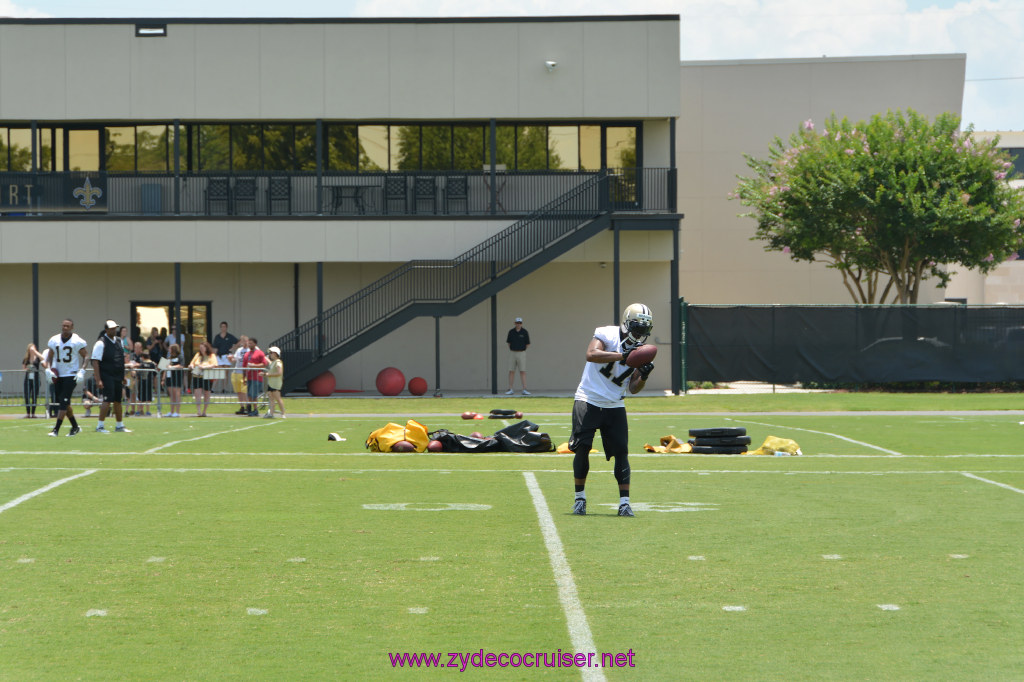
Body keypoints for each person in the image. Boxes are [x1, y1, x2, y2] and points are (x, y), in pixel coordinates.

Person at [568, 303, 655, 518]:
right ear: (626, 322)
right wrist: (621, 356)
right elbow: (591, 354)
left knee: (622, 453)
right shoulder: (607, 333)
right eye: (637, 327)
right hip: (588, 398)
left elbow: (634, 388)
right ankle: (580, 499)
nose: (640, 333)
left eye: (644, 330)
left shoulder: (641, 352)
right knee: (582, 448)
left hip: (615, 403)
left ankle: (624, 503)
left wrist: (643, 375)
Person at [43, 318, 89, 437]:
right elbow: (50, 356)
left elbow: (86, 356)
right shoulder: (54, 340)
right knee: (64, 402)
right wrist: (48, 369)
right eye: (63, 326)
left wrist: (82, 371)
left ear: (72, 327)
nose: (65, 328)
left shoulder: (76, 340)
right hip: (59, 374)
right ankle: (75, 427)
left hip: (71, 374)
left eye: (67, 326)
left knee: (63, 401)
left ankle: (56, 430)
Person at [91, 319, 131, 434]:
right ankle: (100, 426)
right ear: (106, 330)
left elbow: (120, 359)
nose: (114, 330)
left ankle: (119, 425)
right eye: (112, 328)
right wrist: (98, 379)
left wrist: (123, 375)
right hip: (107, 375)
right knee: (107, 400)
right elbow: (95, 362)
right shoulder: (101, 343)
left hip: (118, 375)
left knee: (118, 400)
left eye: (115, 328)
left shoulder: (119, 341)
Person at [188, 340, 219, 417]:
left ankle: (204, 411)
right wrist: (191, 366)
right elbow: (192, 363)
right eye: (200, 348)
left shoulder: (212, 355)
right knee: (197, 394)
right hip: (197, 376)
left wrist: (204, 367)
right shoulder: (198, 355)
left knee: (206, 394)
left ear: (206, 348)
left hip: (207, 377)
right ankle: (198, 411)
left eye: (203, 348)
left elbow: (214, 365)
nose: (201, 349)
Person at [505, 316, 531, 395]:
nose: (518, 324)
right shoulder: (511, 332)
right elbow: (509, 343)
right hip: (513, 353)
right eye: (517, 323)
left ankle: (524, 389)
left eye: (520, 323)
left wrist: (522, 349)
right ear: (515, 323)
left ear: (521, 323)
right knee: (511, 371)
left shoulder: (524, 332)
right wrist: (513, 349)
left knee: (522, 371)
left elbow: (527, 344)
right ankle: (510, 389)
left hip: (521, 353)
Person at [242, 337, 267, 417]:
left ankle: (255, 410)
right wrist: (244, 378)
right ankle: (249, 409)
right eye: (249, 343)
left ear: (255, 344)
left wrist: (254, 366)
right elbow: (244, 367)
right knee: (249, 394)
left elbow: (264, 363)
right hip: (249, 377)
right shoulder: (246, 354)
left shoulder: (260, 353)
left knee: (254, 394)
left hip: (257, 377)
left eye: (251, 343)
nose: (249, 344)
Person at [212, 321, 238, 393]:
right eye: (222, 326)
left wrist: (233, 348)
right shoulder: (217, 337)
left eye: (224, 326)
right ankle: (213, 388)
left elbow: (238, 341)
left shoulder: (230, 336)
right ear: (220, 328)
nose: (223, 328)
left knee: (226, 373)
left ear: (226, 327)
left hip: (227, 356)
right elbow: (215, 348)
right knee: (218, 372)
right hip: (219, 356)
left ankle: (224, 388)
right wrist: (214, 357)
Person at [22, 342, 45, 418]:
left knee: (34, 396)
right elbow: (23, 367)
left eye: (33, 348)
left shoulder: (37, 357)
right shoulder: (26, 358)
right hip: (28, 379)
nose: (32, 350)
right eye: (31, 349)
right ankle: (28, 413)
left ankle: (33, 413)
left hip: (35, 379)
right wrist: (27, 368)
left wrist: (35, 352)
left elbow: (43, 358)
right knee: (27, 395)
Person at [162, 342, 185, 417]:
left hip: (177, 377)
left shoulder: (180, 356)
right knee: (171, 395)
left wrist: (173, 367)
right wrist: (163, 379)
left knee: (177, 394)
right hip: (169, 377)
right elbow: (163, 367)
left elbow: (181, 365)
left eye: (170, 348)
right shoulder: (168, 357)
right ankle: (171, 411)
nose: (168, 350)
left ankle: (177, 412)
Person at [263, 346, 285, 418]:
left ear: (276, 354)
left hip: (275, 384)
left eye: (271, 353)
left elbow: (279, 373)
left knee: (278, 398)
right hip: (271, 383)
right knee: (271, 399)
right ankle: (271, 414)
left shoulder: (278, 362)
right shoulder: (273, 362)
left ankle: (283, 414)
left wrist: (268, 374)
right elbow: (270, 363)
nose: (270, 354)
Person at [230, 335, 249, 414]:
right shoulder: (239, 350)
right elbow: (235, 359)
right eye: (242, 341)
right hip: (237, 372)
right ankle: (242, 407)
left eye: (245, 341)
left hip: (244, 373)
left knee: (244, 391)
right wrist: (230, 358)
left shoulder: (250, 350)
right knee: (238, 391)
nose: (243, 342)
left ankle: (248, 407)